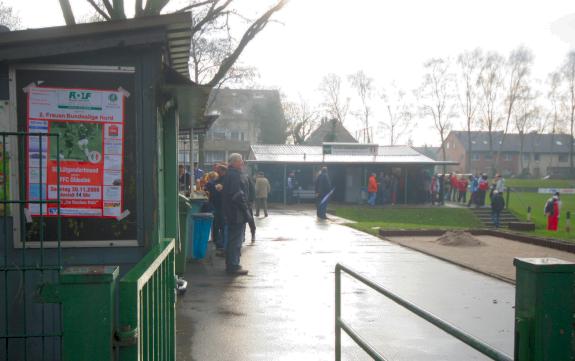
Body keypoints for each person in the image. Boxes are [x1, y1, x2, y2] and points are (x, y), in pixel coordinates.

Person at [222, 153, 252, 275]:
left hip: (232, 212)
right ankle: (233, 266)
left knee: (232, 239)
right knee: (235, 240)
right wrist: (245, 209)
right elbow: (237, 195)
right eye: (240, 161)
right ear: (234, 162)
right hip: (236, 213)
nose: (242, 163)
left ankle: (232, 264)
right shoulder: (235, 175)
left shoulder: (229, 174)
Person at [211, 164, 227, 256]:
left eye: (218, 170)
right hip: (217, 205)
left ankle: (221, 244)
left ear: (223, 170)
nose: (217, 172)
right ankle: (218, 243)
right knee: (217, 224)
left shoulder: (226, 179)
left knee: (222, 225)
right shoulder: (219, 179)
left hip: (222, 205)